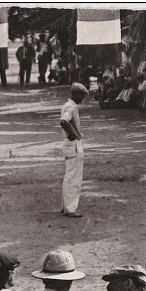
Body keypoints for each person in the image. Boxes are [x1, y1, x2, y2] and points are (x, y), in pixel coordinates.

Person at [59, 83, 89, 218]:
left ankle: (66, 205)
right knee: (74, 178)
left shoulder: (68, 106)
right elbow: (64, 121)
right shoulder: (71, 107)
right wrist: (73, 134)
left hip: (70, 145)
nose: (82, 99)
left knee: (69, 176)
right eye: (82, 96)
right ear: (76, 94)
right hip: (74, 145)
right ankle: (71, 208)